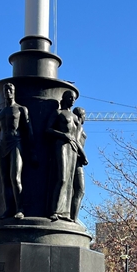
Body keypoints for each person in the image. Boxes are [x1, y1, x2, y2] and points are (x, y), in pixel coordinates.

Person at [0, 81, 31, 219]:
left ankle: (20, 208)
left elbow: (28, 131)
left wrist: (33, 152)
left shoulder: (21, 109)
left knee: (15, 178)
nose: (7, 92)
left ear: (14, 92)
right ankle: (9, 209)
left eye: (10, 89)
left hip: (16, 143)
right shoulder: (1, 112)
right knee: (4, 180)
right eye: (5, 90)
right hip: (2, 145)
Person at [48, 90, 80, 221]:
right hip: (61, 145)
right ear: (65, 98)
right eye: (70, 98)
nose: (72, 100)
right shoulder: (58, 113)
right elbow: (47, 129)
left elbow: (77, 136)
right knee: (62, 178)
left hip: (72, 148)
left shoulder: (75, 117)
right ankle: (55, 210)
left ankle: (65, 212)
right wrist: (63, 135)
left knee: (69, 181)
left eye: (74, 98)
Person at [71, 106, 88, 223]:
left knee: (75, 190)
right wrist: (84, 156)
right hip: (76, 161)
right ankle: (73, 218)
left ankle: (73, 217)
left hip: (76, 160)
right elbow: (76, 141)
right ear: (81, 116)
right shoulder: (79, 127)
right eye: (84, 115)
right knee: (80, 190)